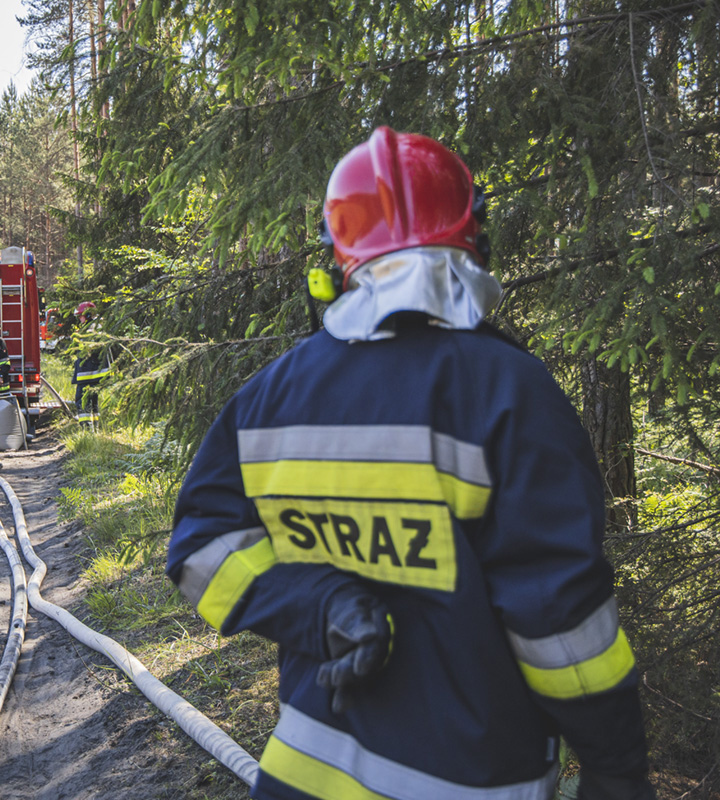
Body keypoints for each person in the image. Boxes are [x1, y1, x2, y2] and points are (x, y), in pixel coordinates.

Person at [167, 127, 653, 800]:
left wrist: (319, 605)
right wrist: (616, 765)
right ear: (471, 237)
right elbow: (561, 622)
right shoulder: (509, 393)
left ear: (341, 256)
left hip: (298, 778)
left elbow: (200, 548)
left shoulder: (272, 395)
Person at [70, 301, 110, 428]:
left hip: (88, 373)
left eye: (81, 315)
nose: (79, 319)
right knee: (93, 401)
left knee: (82, 400)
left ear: (88, 315)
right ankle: (94, 427)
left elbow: (87, 351)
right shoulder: (96, 326)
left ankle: (87, 428)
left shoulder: (91, 329)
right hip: (92, 373)